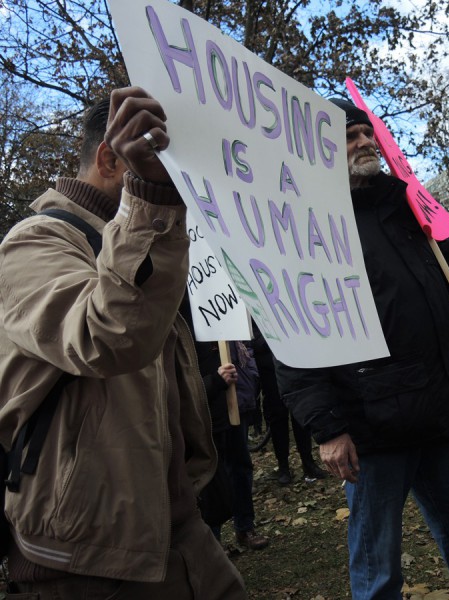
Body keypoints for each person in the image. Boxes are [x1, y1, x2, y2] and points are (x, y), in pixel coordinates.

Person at [0, 88, 246, 597]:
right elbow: (107, 339)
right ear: (111, 158)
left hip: (172, 525)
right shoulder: (33, 242)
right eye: (165, 162)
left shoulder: (140, 234)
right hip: (85, 553)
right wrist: (151, 198)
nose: (178, 183)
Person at [274, 99, 449, 599]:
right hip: (371, 426)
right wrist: (328, 428)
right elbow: (296, 337)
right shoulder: (307, 227)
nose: (363, 143)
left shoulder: (412, 205)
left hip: (438, 410)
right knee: (377, 563)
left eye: (367, 134)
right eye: (349, 137)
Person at [192, 336, 270, 550]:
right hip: (207, 414)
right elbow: (183, 386)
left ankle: (245, 527)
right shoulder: (186, 325)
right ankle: (212, 541)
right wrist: (213, 382)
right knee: (211, 478)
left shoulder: (231, 329)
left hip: (236, 406)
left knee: (241, 466)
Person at [251, 327, 328, 485]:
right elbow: (252, 338)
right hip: (269, 369)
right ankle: (283, 467)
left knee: (300, 415)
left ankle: (308, 463)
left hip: (294, 364)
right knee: (277, 418)